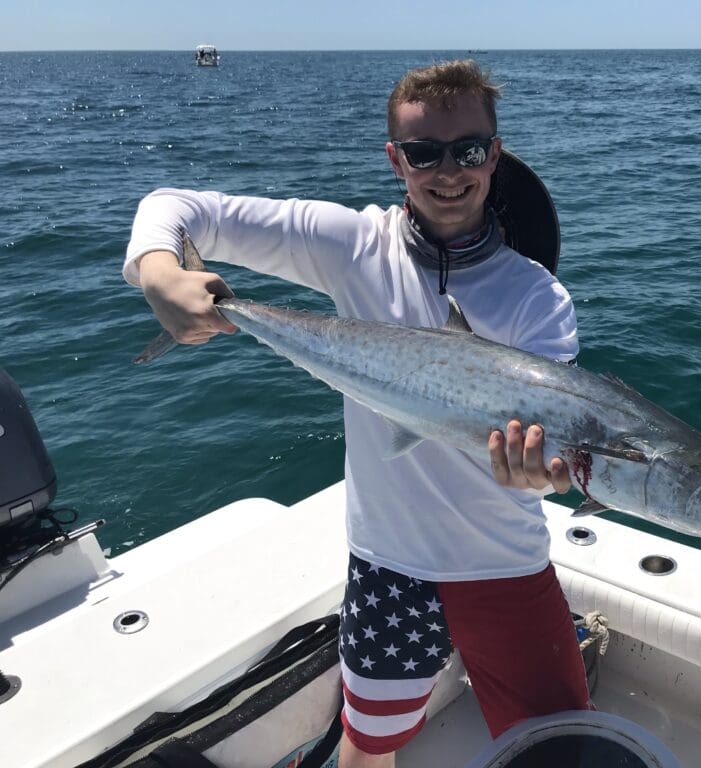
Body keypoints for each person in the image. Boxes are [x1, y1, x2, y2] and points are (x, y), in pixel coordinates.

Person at [123, 60, 591, 766]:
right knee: (369, 743)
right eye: (423, 154)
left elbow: (548, 440)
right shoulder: (351, 243)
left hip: (507, 563)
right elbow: (174, 206)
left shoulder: (537, 297)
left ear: (494, 155)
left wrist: (537, 475)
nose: (448, 171)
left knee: (564, 747)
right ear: (394, 159)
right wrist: (160, 274)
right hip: (389, 564)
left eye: (467, 150)